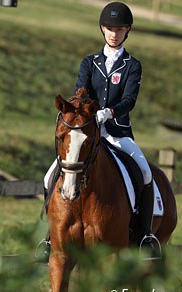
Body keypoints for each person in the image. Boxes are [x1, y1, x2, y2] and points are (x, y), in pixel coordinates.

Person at [35, 1, 158, 263]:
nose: (114, 33)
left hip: (118, 133)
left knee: (145, 173)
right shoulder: (89, 62)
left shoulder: (132, 65)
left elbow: (129, 100)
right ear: (102, 29)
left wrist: (108, 112)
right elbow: (81, 89)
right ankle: (48, 237)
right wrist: (83, 108)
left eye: (120, 29)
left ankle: (144, 236)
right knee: (49, 178)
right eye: (110, 28)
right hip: (88, 133)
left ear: (128, 31)